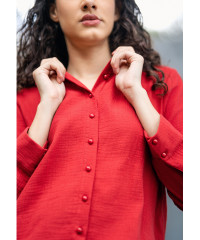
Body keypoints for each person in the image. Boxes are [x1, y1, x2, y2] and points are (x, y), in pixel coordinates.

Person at [17, 0, 183, 239]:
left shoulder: (161, 85)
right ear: (53, 10)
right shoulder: (27, 98)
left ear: (117, 9)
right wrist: (46, 107)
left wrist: (136, 94)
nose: (89, 3)